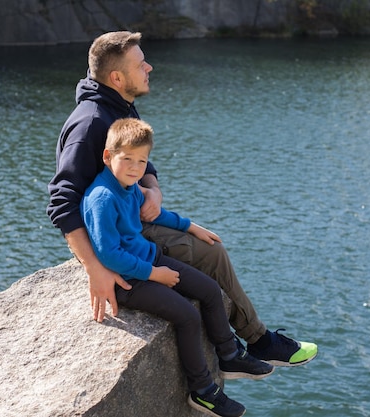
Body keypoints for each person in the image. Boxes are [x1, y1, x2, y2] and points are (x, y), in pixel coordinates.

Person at [46, 30, 317, 367]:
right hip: (116, 236)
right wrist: (94, 268)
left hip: (131, 218)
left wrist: (154, 191)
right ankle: (258, 341)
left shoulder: (117, 106)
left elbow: (142, 157)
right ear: (117, 77)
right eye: (141, 64)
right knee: (211, 253)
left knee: (208, 244)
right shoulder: (90, 124)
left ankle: (239, 341)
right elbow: (61, 202)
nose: (150, 68)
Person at [81, 118, 274, 416]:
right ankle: (203, 391)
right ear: (108, 156)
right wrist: (154, 274)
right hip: (129, 281)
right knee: (186, 316)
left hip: (149, 258)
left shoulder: (129, 185)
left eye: (142, 161)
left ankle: (230, 354)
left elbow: (155, 216)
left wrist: (191, 227)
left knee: (210, 290)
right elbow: (109, 255)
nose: (135, 167)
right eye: (127, 159)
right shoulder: (102, 198)